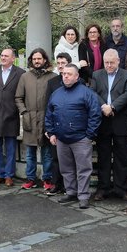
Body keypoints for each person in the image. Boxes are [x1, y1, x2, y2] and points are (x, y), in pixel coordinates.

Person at [45, 64, 101, 209]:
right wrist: (51, 132)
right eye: (63, 74)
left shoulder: (86, 93)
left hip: (81, 139)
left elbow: (95, 114)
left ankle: (83, 196)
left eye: (69, 74)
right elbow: (49, 114)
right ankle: (71, 192)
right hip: (62, 139)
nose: (66, 76)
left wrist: (89, 135)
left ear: (77, 77)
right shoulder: (56, 93)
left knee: (83, 169)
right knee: (66, 169)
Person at [91, 49, 127, 201]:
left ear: (118, 61)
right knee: (103, 157)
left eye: (111, 62)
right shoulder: (96, 75)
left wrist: (113, 107)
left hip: (120, 120)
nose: (109, 65)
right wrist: (104, 106)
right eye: (106, 63)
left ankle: (121, 189)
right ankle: (103, 188)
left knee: (122, 158)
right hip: (103, 121)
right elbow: (93, 93)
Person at [16, 48, 57, 190]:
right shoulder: (25, 77)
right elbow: (18, 98)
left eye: (39, 58)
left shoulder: (52, 77)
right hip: (30, 119)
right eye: (34, 59)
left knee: (46, 153)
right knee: (30, 153)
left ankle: (47, 179)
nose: (37, 61)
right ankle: (30, 179)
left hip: (46, 119)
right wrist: (24, 112)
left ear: (45, 60)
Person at [0, 48, 24, 187]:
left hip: (11, 115)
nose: (3, 58)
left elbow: (21, 93)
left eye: (6, 56)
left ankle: (9, 175)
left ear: (13, 58)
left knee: (10, 148)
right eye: (1, 55)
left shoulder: (20, 73)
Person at [44, 53, 72, 196]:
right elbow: (47, 106)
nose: (60, 65)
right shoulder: (52, 82)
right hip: (56, 127)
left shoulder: (76, 81)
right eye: (58, 63)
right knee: (55, 158)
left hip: (72, 127)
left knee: (69, 160)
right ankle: (56, 184)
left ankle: (69, 186)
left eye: (63, 63)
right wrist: (48, 129)